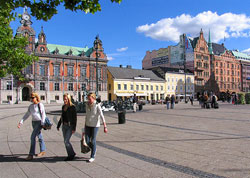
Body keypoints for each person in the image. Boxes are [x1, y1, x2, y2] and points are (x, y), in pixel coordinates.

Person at [17, 92, 46, 161]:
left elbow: (43, 114)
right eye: (31, 98)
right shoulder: (31, 106)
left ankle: (31, 154)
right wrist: (21, 122)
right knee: (39, 136)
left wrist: (42, 123)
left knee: (32, 137)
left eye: (33, 97)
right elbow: (27, 114)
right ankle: (43, 150)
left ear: (36, 97)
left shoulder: (40, 105)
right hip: (34, 122)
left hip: (39, 122)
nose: (32, 99)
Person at [82, 92, 108, 163]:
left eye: (90, 99)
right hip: (87, 125)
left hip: (95, 125)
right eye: (88, 99)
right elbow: (87, 116)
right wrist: (84, 126)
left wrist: (105, 126)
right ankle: (94, 148)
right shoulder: (87, 105)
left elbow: (102, 115)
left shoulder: (97, 105)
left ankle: (92, 156)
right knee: (87, 141)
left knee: (93, 140)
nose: (88, 100)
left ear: (93, 98)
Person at [57, 93, 77, 161]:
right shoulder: (63, 107)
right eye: (64, 99)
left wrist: (74, 127)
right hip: (64, 126)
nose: (64, 100)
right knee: (65, 141)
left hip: (70, 125)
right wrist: (59, 124)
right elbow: (62, 116)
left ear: (69, 99)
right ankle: (71, 153)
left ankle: (71, 155)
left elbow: (74, 118)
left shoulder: (72, 107)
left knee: (66, 141)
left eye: (66, 99)